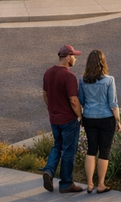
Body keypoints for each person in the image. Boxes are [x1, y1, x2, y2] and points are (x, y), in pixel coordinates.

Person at [78, 50, 121, 195]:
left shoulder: (82, 80)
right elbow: (113, 103)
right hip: (106, 118)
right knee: (104, 150)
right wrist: (118, 121)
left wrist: (82, 117)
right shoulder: (109, 80)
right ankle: (101, 184)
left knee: (91, 149)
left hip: (89, 118)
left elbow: (81, 101)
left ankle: (89, 184)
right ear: (103, 62)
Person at [42, 44, 84, 194]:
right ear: (67, 57)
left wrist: (52, 109)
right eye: (74, 56)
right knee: (68, 151)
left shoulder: (48, 72)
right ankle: (66, 183)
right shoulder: (68, 76)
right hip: (68, 120)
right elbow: (73, 100)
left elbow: (45, 94)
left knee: (57, 145)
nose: (75, 59)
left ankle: (49, 170)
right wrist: (79, 115)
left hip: (54, 119)